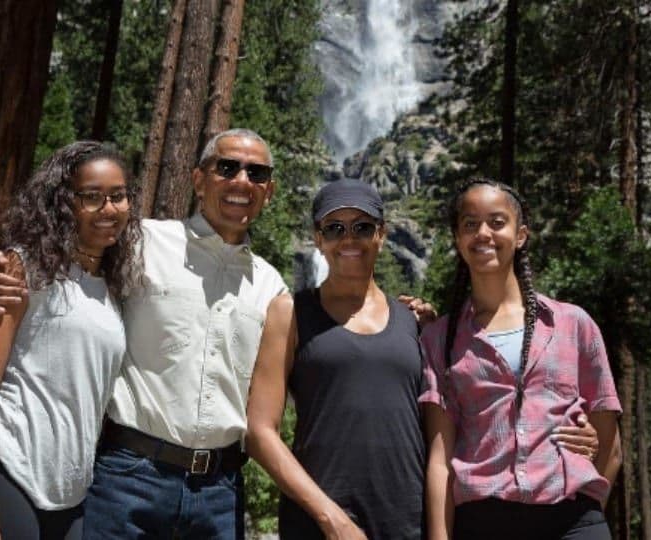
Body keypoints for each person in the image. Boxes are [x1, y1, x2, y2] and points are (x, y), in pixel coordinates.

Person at [0, 128, 287, 539]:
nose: (242, 181)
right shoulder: (139, 242)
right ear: (198, 180)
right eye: (227, 167)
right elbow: (56, 256)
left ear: (269, 190)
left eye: (256, 173)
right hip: (128, 477)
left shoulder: (272, 287)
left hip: (219, 492)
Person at [244, 180, 601, 540]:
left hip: (407, 521)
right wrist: (331, 518)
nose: (349, 239)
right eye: (334, 228)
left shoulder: (418, 324)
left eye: (362, 227)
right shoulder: (290, 312)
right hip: (319, 523)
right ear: (318, 238)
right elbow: (260, 432)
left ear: (381, 235)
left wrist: (570, 432)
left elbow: (462, 419)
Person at [0, 141, 141, 539]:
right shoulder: (23, 269)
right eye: (91, 197)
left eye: (118, 195)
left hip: (68, 500)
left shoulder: (112, 289)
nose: (109, 209)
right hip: (4, 476)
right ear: (63, 203)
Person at [420, 178, 622, 540]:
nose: (483, 233)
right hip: (483, 524)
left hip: (572, 520)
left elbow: (609, 443)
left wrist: (587, 517)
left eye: (497, 222)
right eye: (470, 224)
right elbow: (440, 460)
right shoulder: (440, 339)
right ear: (457, 239)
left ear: (521, 235)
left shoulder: (573, 324)